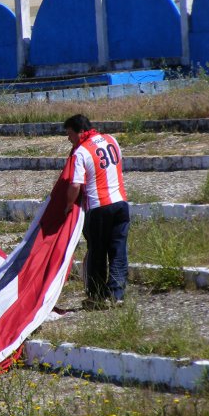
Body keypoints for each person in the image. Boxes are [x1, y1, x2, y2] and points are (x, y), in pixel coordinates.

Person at [63, 114, 130, 309]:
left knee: (97, 253)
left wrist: (68, 205)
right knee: (118, 251)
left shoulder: (81, 152)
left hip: (98, 207)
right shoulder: (111, 140)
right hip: (120, 203)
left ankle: (97, 296)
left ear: (80, 132)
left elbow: (75, 185)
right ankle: (117, 295)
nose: (68, 138)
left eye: (70, 134)